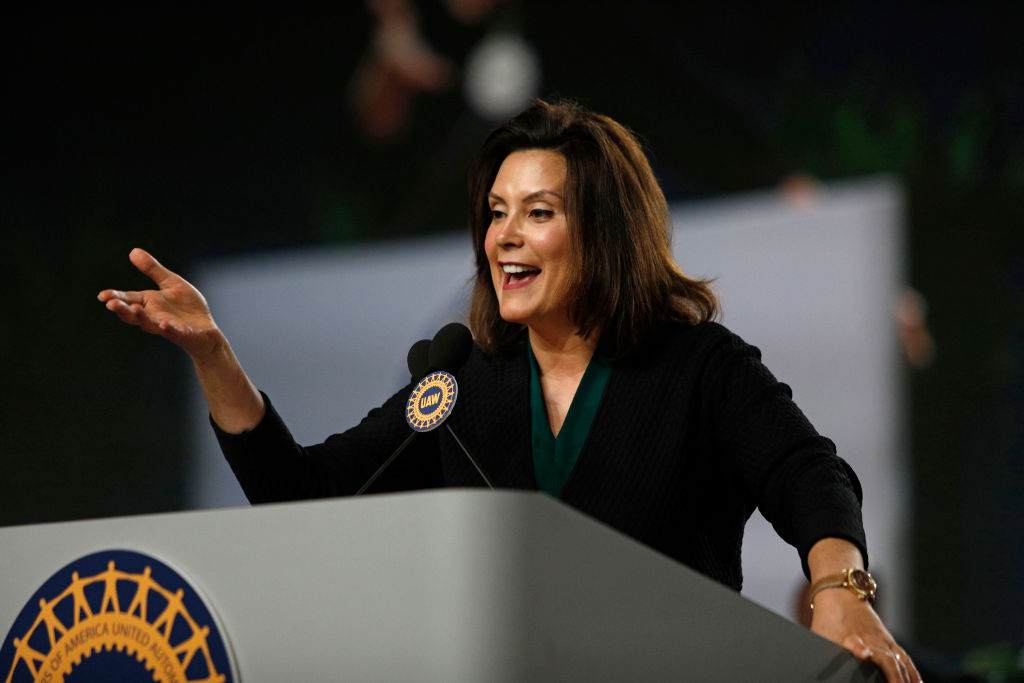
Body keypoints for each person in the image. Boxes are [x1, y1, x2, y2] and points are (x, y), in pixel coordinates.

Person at [99, 99, 921, 683]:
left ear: (603, 230)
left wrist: (839, 591)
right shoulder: (464, 381)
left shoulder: (699, 366)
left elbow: (808, 472)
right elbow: (302, 495)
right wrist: (213, 355)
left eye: (537, 212)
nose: (504, 237)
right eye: (496, 213)